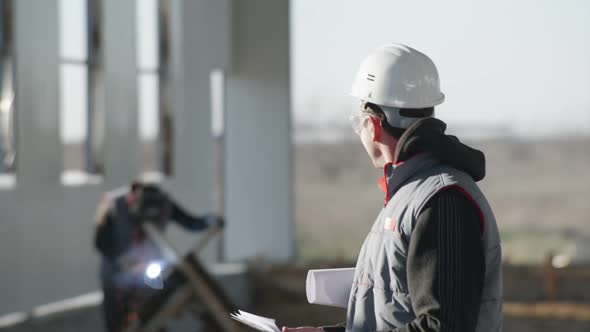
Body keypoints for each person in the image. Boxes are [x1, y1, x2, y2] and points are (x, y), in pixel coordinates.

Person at [283, 44, 502, 332]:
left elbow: (443, 327)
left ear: (373, 125)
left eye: (358, 123)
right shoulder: (412, 193)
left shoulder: (442, 200)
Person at [94, 181, 222, 332]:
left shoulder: (164, 205)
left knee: (154, 317)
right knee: (116, 325)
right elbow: (100, 243)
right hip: (116, 278)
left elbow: (191, 222)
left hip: (147, 276)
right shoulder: (115, 205)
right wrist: (124, 261)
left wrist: (209, 220)